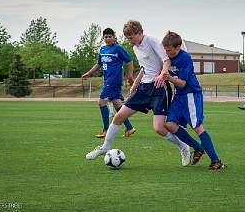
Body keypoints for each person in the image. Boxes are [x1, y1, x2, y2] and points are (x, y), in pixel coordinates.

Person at [85, 20, 191, 166]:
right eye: (127, 38)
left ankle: (183, 146)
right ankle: (105, 147)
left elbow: (166, 60)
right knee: (118, 116)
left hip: (159, 88)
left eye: (131, 37)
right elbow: (144, 68)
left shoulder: (152, 42)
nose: (130, 41)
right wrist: (135, 84)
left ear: (140, 33)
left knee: (159, 128)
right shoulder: (135, 47)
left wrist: (162, 74)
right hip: (143, 88)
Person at [162, 31, 226, 170]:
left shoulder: (185, 58)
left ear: (178, 47)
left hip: (190, 94)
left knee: (197, 127)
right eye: (165, 50)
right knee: (169, 124)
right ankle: (197, 147)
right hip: (179, 96)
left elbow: (183, 83)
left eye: (169, 50)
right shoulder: (167, 57)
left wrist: (169, 78)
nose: (166, 52)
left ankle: (216, 160)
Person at [82, 28, 136, 138]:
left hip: (114, 80)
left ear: (114, 37)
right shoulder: (102, 50)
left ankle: (105, 130)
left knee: (101, 102)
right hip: (108, 80)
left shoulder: (118, 48)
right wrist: (89, 73)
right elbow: (99, 64)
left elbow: (130, 61)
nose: (108, 38)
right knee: (116, 103)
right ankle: (129, 128)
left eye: (110, 36)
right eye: (106, 37)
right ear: (103, 38)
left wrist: (130, 75)